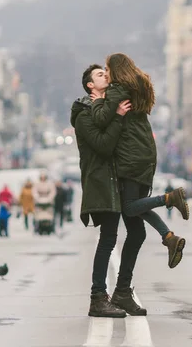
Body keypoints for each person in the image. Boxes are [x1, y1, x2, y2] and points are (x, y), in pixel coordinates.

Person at [91, 54, 189, 269]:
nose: (106, 73)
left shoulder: (118, 90)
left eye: (107, 69)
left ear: (116, 69)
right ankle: (169, 238)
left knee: (129, 207)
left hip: (131, 156)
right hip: (144, 154)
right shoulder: (139, 87)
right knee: (137, 206)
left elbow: (100, 119)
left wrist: (98, 100)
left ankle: (170, 198)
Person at [71, 64, 131, 318]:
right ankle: (98, 297)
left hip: (111, 180)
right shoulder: (84, 114)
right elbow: (103, 146)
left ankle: (110, 295)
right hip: (99, 181)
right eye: (99, 75)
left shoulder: (101, 110)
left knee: (110, 238)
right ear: (89, 85)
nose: (105, 76)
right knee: (107, 240)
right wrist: (117, 116)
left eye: (105, 73)